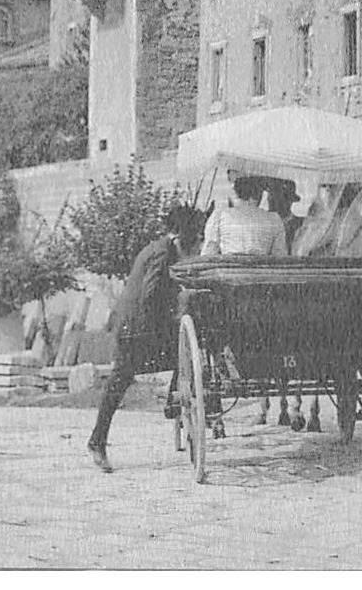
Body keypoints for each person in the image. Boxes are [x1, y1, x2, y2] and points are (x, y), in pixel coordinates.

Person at [88, 205, 205, 472]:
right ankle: (97, 441)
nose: (197, 243)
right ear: (182, 235)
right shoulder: (163, 253)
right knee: (120, 380)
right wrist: (174, 311)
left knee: (183, 353)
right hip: (135, 327)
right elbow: (150, 295)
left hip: (137, 324)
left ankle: (173, 402)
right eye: (195, 236)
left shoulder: (161, 247)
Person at [202, 174, 287, 257]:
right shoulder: (274, 219)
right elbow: (280, 257)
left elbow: (209, 253)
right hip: (260, 269)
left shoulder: (220, 215)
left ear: (237, 192)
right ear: (258, 194)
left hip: (228, 269)